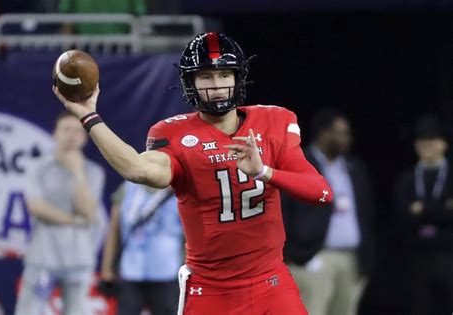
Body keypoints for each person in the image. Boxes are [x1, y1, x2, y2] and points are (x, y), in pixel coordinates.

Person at [53, 32, 333, 315]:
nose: (217, 86)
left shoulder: (274, 121)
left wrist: (264, 172)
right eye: (206, 77)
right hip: (211, 291)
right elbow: (137, 169)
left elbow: (321, 192)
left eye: (224, 75)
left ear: (238, 77)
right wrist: (89, 116)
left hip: (270, 283)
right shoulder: (173, 134)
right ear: (191, 83)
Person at [282, 109, 376, 315]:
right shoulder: (299, 163)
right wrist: (292, 254)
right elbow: (283, 210)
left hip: (351, 259)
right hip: (313, 257)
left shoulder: (354, 167)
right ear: (324, 133)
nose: (347, 139)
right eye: (341, 133)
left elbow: (366, 212)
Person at [15, 111, 106, 315]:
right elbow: (36, 207)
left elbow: (89, 211)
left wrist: (77, 173)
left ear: (84, 138)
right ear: (55, 133)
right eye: (66, 129)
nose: (71, 135)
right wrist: (75, 220)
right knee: (28, 311)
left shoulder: (93, 172)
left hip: (79, 260)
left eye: (77, 131)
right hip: (43, 258)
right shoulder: (37, 168)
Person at [393, 114, 453, 315]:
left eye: (432, 140)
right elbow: (402, 216)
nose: (426, 145)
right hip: (417, 258)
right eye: (421, 141)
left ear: (443, 144)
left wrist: (422, 209)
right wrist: (442, 208)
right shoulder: (406, 179)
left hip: (448, 255)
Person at [100, 182, 182, 315]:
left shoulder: (179, 187)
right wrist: (107, 268)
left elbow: (192, 234)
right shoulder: (126, 187)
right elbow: (114, 230)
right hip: (131, 271)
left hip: (167, 272)